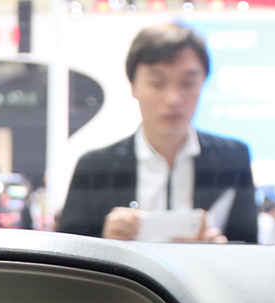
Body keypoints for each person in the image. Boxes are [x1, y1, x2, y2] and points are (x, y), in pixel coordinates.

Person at [57, 23, 256, 244]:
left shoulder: (232, 159)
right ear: (133, 86)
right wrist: (105, 243)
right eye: (157, 83)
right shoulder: (95, 168)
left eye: (188, 83)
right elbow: (67, 253)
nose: (173, 99)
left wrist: (219, 249)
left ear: (203, 83)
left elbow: (250, 248)